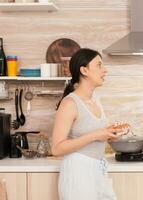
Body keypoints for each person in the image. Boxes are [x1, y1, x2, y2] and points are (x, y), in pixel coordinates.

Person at [51, 48, 122, 200]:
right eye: (99, 65)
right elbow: (56, 149)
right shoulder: (70, 103)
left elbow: (94, 133)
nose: (105, 70)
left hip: (98, 169)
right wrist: (97, 134)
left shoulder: (96, 101)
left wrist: (109, 134)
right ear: (84, 70)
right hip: (78, 172)